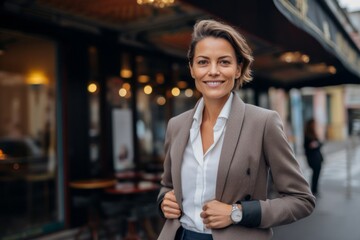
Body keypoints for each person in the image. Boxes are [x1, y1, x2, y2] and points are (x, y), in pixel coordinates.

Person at [157, 19, 315, 240]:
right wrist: (164, 201)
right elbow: (167, 186)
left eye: (224, 62)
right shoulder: (176, 125)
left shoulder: (263, 122)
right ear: (192, 69)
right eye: (203, 62)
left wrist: (237, 213)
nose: (213, 71)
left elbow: (301, 200)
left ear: (238, 68)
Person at [304, 118, 324, 196]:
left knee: (317, 174)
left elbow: (319, 144)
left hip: (317, 157)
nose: (315, 125)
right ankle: (313, 190)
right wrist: (316, 144)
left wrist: (317, 144)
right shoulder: (307, 135)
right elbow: (309, 146)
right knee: (315, 174)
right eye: (314, 124)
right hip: (313, 158)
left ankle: (314, 189)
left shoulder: (313, 133)